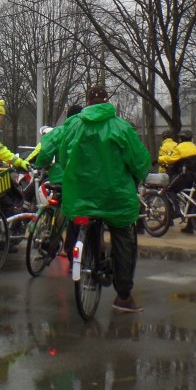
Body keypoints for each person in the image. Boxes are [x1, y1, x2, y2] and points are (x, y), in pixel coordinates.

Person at [47, 85, 151, 312]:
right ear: (107, 101)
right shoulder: (121, 127)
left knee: (86, 221)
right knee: (124, 236)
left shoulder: (73, 125)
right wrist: (138, 177)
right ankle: (123, 297)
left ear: (87, 102)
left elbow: (63, 157)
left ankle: (88, 261)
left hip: (82, 195)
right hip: (116, 197)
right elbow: (139, 161)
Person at [34, 103, 84, 261]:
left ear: (67, 116)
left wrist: (40, 165)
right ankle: (71, 251)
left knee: (57, 204)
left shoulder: (58, 132)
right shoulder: (84, 131)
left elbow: (45, 152)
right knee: (75, 215)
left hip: (57, 178)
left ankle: (51, 231)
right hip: (77, 179)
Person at [164, 129, 196, 233]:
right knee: (190, 199)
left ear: (181, 138)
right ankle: (190, 226)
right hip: (195, 176)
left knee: (169, 190)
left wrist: (159, 160)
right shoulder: (195, 147)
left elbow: (171, 159)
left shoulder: (180, 147)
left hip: (185, 176)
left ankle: (176, 211)